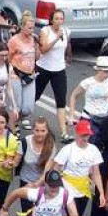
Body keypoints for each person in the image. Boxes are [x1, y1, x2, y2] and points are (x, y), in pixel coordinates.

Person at [49, 118, 106, 216]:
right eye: (83, 135)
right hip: (68, 189)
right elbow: (55, 170)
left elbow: (95, 173)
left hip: (84, 190)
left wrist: (101, 193)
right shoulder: (68, 150)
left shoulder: (93, 150)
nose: (85, 138)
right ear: (77, 134)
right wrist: (54, 189)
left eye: (88, 135)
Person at [34, 9, 72, 140]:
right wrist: (56, 39)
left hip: (59, 70)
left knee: (61, 100)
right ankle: (17, 120)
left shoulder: (66, 31)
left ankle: (64, 133)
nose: (59, 21)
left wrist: (68, 57)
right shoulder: (45, 31)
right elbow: (43, 49)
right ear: (51, 20)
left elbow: (67, 45)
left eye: (61, 19)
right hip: (43, 68)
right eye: (56, 19)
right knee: (35, 95)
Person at [68, 55, 108, 135]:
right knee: (90, 142)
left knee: (102, 143)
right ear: (99, 70)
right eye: (106, 72)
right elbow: (74, 96)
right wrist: (71, 115)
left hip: (104, 117)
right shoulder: (87, 82)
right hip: (89, 117)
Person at [17, 116, 57, 211]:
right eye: (37, 130)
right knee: (26, 214)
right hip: (25, 181)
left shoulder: (51, 146)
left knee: (39, 214)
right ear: (33, 130)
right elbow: (15, 162)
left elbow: (46, 172)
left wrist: (35, 185)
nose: (39, 134)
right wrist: (8, 163)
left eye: (43, 131)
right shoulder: (25, 142)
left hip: (42, 185)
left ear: (47, 131)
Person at [7, 13, 37, 131]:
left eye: (33, 28)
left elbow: (37, 57)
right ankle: (13, 127)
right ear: (22, 27)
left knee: (28, 108)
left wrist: (38, 46)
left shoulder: (33, 40)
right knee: (17, 105)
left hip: (30, 74)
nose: (31, 30)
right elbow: (8, 58)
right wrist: (10, 72)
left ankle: (19, 119)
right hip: (16, 74)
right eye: (29, 28)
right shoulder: (14, 41)